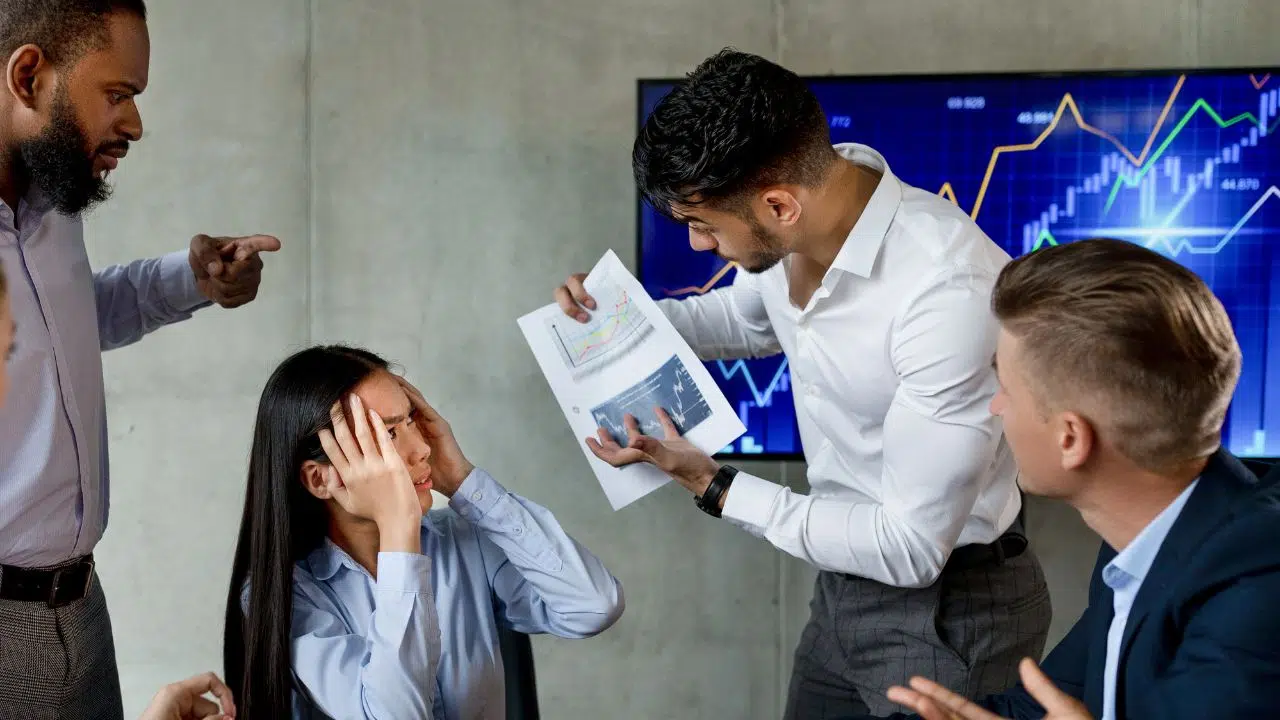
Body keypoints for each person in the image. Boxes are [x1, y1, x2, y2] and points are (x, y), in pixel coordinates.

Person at [555, 48, 1049, 717]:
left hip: (944, 609)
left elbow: (909, 550)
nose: (697, 245)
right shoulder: (798, 222)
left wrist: (713, 484)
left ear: (780, 204)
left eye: (702, 224)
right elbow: (750, 318)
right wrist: (618, 321)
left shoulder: (945, 293)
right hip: (840, 593)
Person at [0, 2, 279, 717]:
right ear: (28, 75)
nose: (133, 126)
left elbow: (65, 322)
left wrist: (191, 280)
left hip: (83, 607)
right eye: (117, 94)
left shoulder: (50, 201)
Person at [868, 238, 1280, 720]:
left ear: (1070, 439)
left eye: (1005, 390)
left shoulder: (1254, 595)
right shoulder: (1141, 541)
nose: (996, 408)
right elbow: (1046, 704)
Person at [223, 345, 624, 719]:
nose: (422, 449)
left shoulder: (465, 543)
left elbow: (592, 607)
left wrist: (463, 480)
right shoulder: (288, 595)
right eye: (390, 434)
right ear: (319, 479)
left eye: (412, 421)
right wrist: (399, 530)